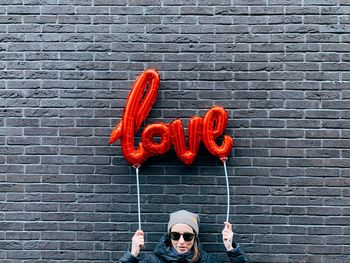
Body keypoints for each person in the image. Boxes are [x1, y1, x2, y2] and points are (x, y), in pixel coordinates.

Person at [119, 210, 248, 263]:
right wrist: (133, 253)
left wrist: (231, 249)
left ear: (195, 237)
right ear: (169, 236)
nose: (181, 242)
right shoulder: (152, 260)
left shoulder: (208, 260)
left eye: (187, 236)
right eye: (175, 236)